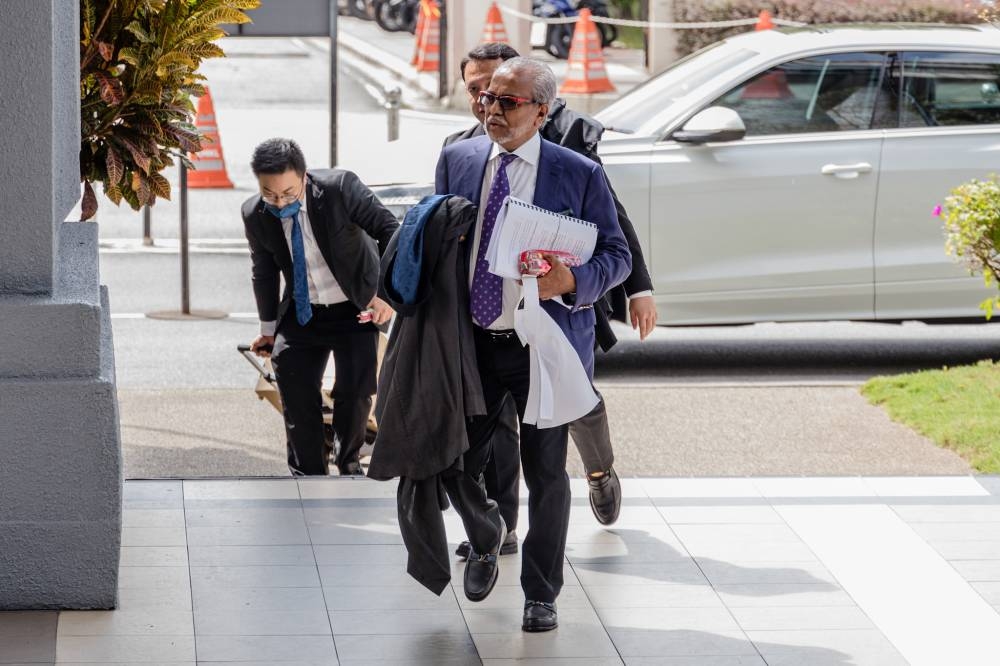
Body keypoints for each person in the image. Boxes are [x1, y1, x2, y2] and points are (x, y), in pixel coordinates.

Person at [435, 57, 631, 631]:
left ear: (541, 112)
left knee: (546, 472)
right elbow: (438, 237)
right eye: (488, 98)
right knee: (456, 462)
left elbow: (616, 254)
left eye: (508, 102)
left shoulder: (579, 173)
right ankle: (487, 532)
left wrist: (569, 280)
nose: (491, 109)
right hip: (472, 339)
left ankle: (540, 593)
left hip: (541, 344)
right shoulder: (458, 158)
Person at [242, 138, 398, 476]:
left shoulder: (340, 189)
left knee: (354, 393)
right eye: (270, 194)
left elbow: (390, 231)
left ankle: (349, 464)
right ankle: (307, 475)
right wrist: (268, 331)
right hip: (303, 311)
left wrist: (384, 295)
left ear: (304, 176)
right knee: (295, 393)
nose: (279, 201)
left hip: (355, 305)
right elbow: (264, 270)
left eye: (288, 192)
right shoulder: (255, 213)